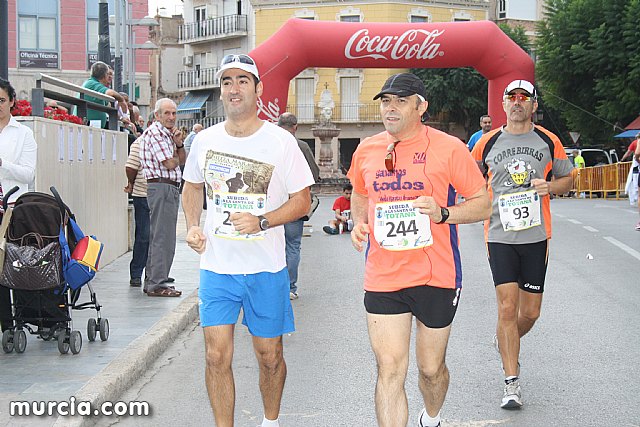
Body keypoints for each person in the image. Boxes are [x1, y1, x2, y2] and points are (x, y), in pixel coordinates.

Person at [348, 73, 490, 427]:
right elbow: (360, 192)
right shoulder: (367, 149)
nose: (390, 108)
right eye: (385, 101)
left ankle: (432, 417)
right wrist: (359, 222)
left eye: (399, 101)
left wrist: (444, 213)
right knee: (390, 369)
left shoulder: (450, 148)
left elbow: (483, 204)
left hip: (436, 274)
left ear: (420, 106)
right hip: (382, 275)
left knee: (430, 370)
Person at [182, 54, 314, 427]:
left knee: (269, 355)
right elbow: (192, 186)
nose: (234, 88)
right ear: (221, 91)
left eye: (243, 80)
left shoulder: (279, 142)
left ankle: (270, 422)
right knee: (215, 357)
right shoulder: (204, 140)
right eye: (227, 82)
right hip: (218, 268)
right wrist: (193, 224)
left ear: (258, 89)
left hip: (266, 268)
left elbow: (302, 200)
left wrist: (263, 221)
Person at [471, 79, 573, 409]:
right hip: (499, 235)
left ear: (533, 105)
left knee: (529, 313)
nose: (517, 102)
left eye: (523, 98)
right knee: (505, 307)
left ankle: (506, 338)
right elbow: (468, 179)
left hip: (535, 237)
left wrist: (551, 186)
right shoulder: (486, 143)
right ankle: (511, 382)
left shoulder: (548, 140)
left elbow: (569, 179)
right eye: (511, 97)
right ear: (503, 104)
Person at [0, 77, 38, 332]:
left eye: (1, 100)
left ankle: (10, 325)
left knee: (7, 265)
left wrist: (3, 165)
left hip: (10, 208)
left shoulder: (23, 133)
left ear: (12, 102)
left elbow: (28, 174)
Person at [139, 98, 186, 297]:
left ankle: (154, 279)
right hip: (161, 186)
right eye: (167, 113)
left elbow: (181, 160)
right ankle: (157, 283)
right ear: (157, 115)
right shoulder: (157, 133)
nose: (171, 117)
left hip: (166, 187)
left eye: (174, 113)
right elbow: (169, 163)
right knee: (163, 237)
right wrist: (176, 155)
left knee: (162, 235)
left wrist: (179, 145)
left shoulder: (167, 135)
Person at [277, 112, 320, 299]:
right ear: (295, 127)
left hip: (273, 204)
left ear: (279, 126)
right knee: (293, 245)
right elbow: (314, 173)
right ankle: (290, 288)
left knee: (273, 245)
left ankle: (272, 287)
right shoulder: (301, 146)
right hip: (295, 203)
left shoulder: (271, 145)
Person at [124, 139, 150, 288]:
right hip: (143, 194)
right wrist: (131, 183)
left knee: (157, 237)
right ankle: (136, 273)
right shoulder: (140, 143)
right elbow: (130, 167)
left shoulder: (169, 140)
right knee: (144, 235)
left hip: (161, 196)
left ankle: (153, 273)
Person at [81, 61, 125, 129]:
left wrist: (122, 118)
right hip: (89, 126)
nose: (109, 78)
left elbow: (109, 106)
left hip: (94, 126)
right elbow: (111, 93)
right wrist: (122, 100)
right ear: (105, 75)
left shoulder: (95, 85)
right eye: (108, 74)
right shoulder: (92, 83)